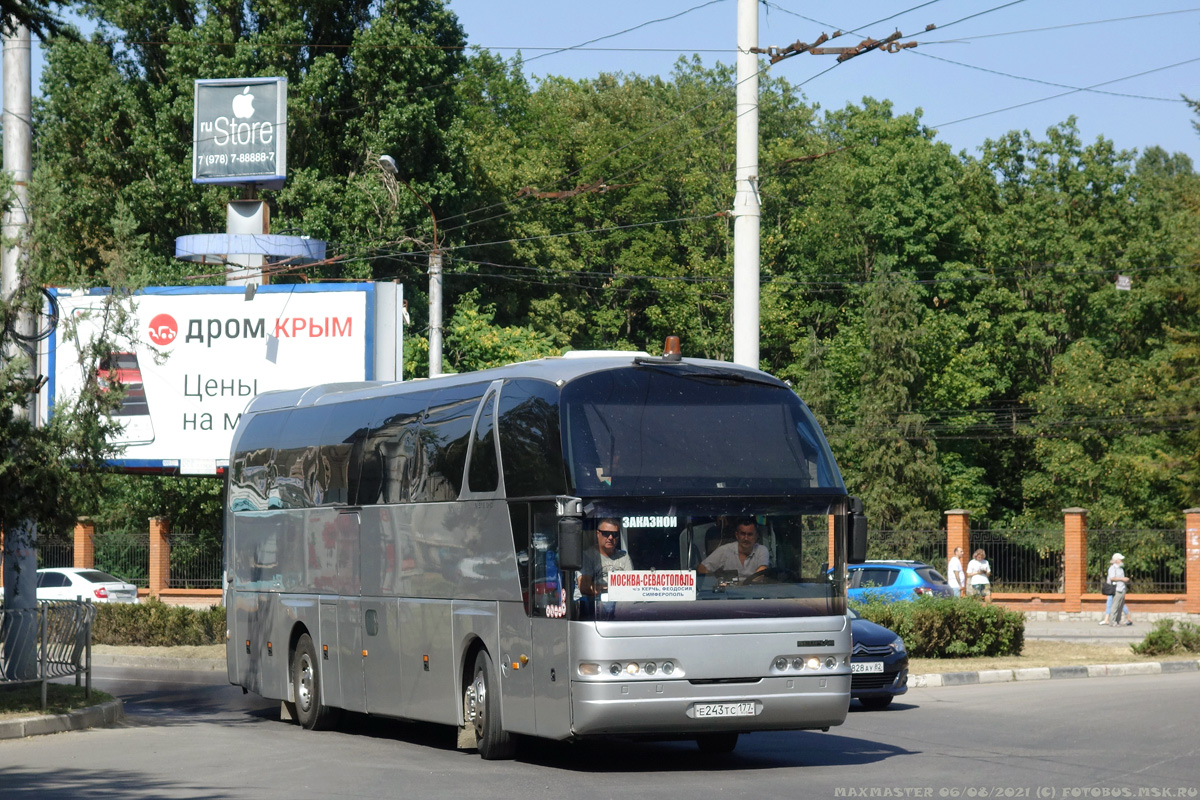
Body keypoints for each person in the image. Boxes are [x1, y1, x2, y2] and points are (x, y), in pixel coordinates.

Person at [696, 517, 768, 579]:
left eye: (750, 534)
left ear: (756, 536)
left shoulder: (761, 550)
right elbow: (702, 568)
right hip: (729, 593)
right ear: (736, 535)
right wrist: (713, 582)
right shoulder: (724, 550)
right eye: (743, 534)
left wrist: (743, 585)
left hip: (755, 591)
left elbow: (761, 573)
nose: (746, 538)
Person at [578, 518, 634, 597]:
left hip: (619, 603)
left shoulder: (624, 556)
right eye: (606, 533)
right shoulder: (587, 556)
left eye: (614, 534)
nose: (610, 537)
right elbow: (586, 587)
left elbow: (631, 585)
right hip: (591, 605)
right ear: (598, 534)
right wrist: (613, 589)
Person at [1105, 552, 1131, 627]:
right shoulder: (1112, 568)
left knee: (1120, 606)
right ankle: (1112, 621)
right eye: (1121, 559)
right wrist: (1122, 579)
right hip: (1116, 589)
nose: (1122, 561)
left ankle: (1117, 621)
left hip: (1122, 588)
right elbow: (1112, 578)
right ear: (1116, 560)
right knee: (1115, 606)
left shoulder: (1120, 569)